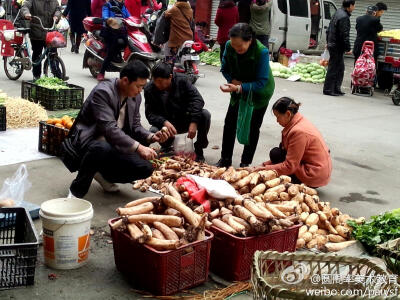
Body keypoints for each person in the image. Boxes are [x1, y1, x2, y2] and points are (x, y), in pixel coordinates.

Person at [67, 61, 170, 198]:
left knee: (146, 167)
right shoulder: (103, 92)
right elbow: (109, 129)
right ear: (125, 80)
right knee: (102, 148)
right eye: (138, 86)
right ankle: (76, 193)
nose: (140, 91)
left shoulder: (135, 97)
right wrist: (139, 147)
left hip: (114, 145)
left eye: (142, 87)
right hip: (89, 142)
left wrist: (151, 136)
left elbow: (135, 125)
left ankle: (102, 173)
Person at [217, 23, 275, 168]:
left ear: (250, 40)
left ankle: (245, 162)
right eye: (234, 45)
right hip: (237, 89)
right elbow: (224, 68)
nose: (236, 49)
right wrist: (232, 82)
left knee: (252, 127)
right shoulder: (230, 46)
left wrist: (240, 87)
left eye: (240, 46)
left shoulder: (261, 52)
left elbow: (262, 82)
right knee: (230, 123)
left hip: (258, 93)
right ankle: (225, 159)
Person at [247, 97, 332, 188]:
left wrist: (265, 169)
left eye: (278, 117)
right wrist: (262, 166)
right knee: (277, 153)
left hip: (313, 174)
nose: (277, 121)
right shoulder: (298, 121)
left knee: (276, 155)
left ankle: (303, 183)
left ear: (288, 114)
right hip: (314, 169)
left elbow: (290, 166)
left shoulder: (299, 132)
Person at [144, 63, 211, 162]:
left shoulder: (182, 80)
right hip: (166, 125)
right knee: (153, 130)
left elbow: (198, 100)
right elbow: (150, 114)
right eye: (155, 81)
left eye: (160, 81)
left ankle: (199, 149)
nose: (157, 85)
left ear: (170, 77)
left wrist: (194, 122)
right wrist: (164, 122)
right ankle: (166, 146)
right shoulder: (150, 88)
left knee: (205, 115)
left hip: (185, 120)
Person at [21, 0, 62, 80]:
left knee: (53, 54)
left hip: (50, 32)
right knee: (37, 54)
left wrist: (57, 16)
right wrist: (26, 13)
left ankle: (58, 76)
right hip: (37, 31)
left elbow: (58, 9)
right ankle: (36, 75)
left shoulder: (54, 1)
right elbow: (25, 6)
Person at [323, 0, 355, 97]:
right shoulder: (344, 17)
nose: (354, 8)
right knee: (334, 67)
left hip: (333, 44)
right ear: (350, 6)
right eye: (353, 6)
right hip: (337, 45)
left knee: (340, 68)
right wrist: (348, 48)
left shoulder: (337, 13)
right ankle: (328, 89)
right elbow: (344, 34)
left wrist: (328, 42)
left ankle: (336, 88)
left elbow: (329, 30)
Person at [97, 0, 131, 81]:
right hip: (110, 32)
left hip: (121, 31)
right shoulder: (107, 5)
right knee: (110, 51)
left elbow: (129, 17)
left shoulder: (123, 6)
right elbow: (105, 16)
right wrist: (110, 20)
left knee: (129, 44)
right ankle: (101, 72)